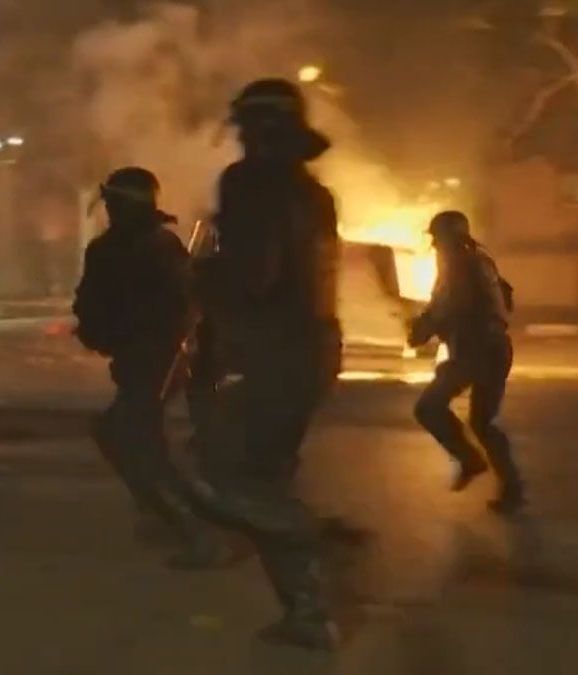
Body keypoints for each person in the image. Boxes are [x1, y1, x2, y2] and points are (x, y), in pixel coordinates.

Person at [188, 77, 343, 648]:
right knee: (262, 473)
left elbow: (254, 276)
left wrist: (199, 277)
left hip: (270, 352)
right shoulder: (313, 191)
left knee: (218, 472)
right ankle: (304, 611)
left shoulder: (251, 184)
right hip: (313, 351)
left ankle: (309, 546)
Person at [72, 167, 237, 571]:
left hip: (154, 359)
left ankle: (197, 531)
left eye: (112, 202)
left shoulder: (144, 248)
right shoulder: (150, 245)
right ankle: (172, 514)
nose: (108, 209)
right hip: (146, 359)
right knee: (130, 437)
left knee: (134, 441)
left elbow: (180, 309)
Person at [409, 210, 524, 514]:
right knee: (483, 422)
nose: (433, 244)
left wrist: (422, 329)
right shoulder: (482, 261)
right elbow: (505, 299)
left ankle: (471, 461)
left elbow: (446, 307)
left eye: (436, 238)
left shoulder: (458, 266)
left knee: (428, 408)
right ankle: (513, 488)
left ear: (450, 237)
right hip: (496, 348)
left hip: (476, 351)